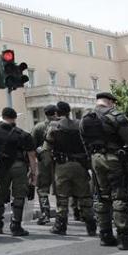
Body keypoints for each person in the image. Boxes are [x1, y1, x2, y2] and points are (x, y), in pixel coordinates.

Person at [80, 92, 128, 250]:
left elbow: (84, 142)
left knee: (101, 196)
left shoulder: (86, 118)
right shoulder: (115, 115)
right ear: (110, 102)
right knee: (119, 195)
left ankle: (105, 235)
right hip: (113, 158)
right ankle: (124, 238)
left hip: (95, 160)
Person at [45, 101, 96, 236]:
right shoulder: (80, 125)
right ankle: (91, 226)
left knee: (62, 198)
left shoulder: (54, 126)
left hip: (62, 166)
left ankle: (60, 226)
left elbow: (47, 147)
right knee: (85, 197)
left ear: (56, 113)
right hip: (80, 165)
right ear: (69, 111)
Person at [0, 107, 37, 236]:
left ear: (2, 116)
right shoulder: (23, 135)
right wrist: (34, 173)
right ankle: (16, 225)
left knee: (0, 194)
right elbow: (31, 156)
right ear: (15, 118)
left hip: (1, 166)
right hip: (19, 166)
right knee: (19, 195)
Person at [31, 104, 58, 225]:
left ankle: (45, 213)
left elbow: (32, 145)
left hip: (44, 160)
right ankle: (67, 214)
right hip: (61, 160)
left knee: (42, 188)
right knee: (62, 187)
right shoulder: (62, 124)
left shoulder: (38, 127)